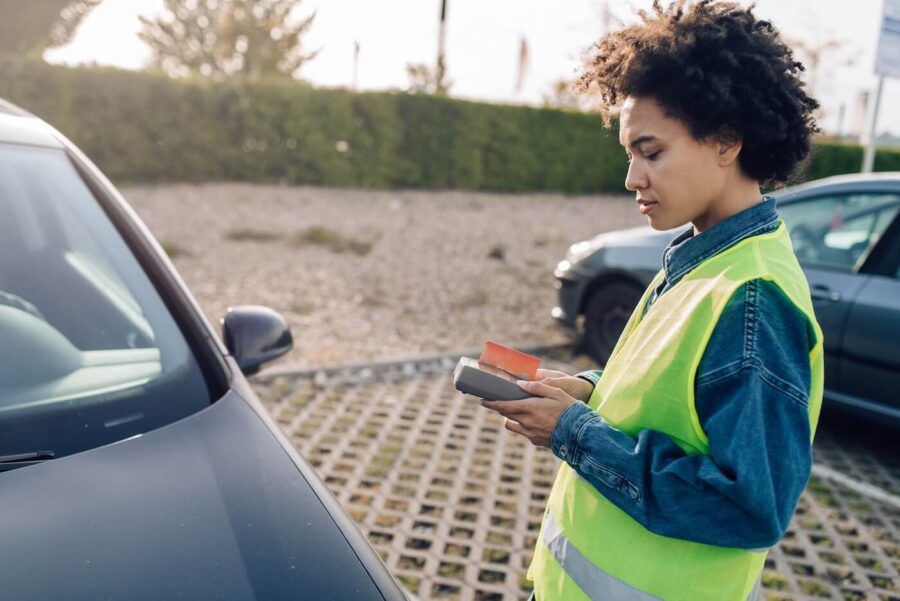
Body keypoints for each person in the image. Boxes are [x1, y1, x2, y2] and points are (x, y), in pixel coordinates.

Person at [479, 1, 823, 599]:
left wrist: (574, 432)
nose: (632, 178)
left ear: (725, 140)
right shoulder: (705, 255)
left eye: (651, 151)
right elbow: (668, 399)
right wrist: (587, 390)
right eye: (629, 155)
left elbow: (747, 508)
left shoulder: (753, 301)